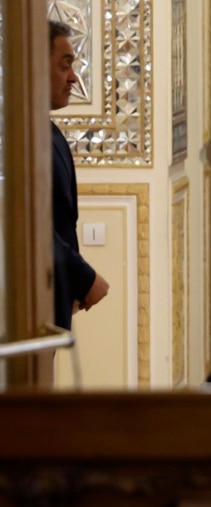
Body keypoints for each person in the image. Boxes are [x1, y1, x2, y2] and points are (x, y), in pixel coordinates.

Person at [50, 20, 109, 329]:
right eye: (64, 65)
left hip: (54, 296)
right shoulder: (15, 140)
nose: (73, 77)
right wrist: (83, 278)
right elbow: (28, 226)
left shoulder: (50, 133)